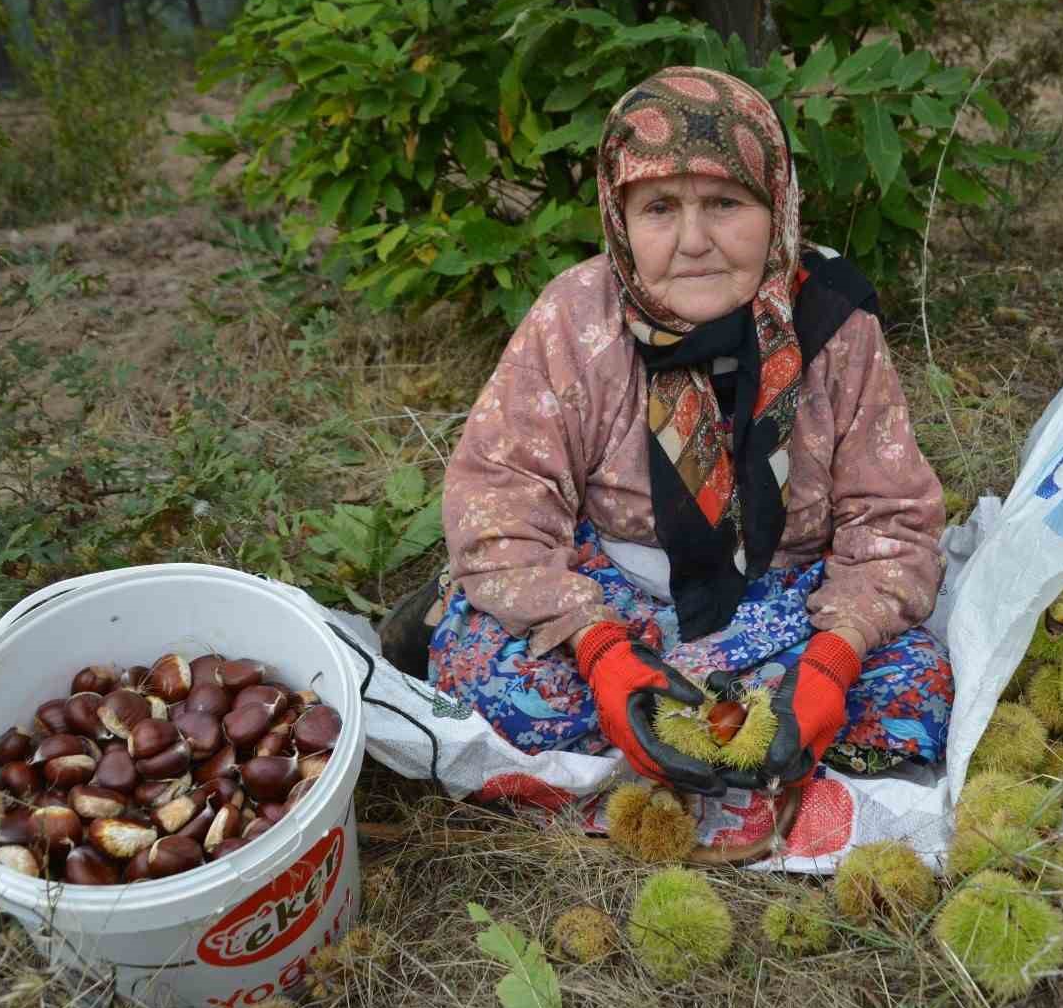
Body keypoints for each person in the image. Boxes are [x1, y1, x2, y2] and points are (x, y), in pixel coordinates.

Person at [387, 66, 950, 796]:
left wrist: (834, 660)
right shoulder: (574, 321)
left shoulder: (836, 326)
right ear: (620, 219)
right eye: (658, 208)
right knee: (488, 676)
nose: (693, 242)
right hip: (613, 593)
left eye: (724, 202)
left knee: (915, 689)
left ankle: (712, 738)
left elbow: (892, 521)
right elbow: (501, 502)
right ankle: (643, 713)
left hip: (787, 603)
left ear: (776, 206)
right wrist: (600, 652)